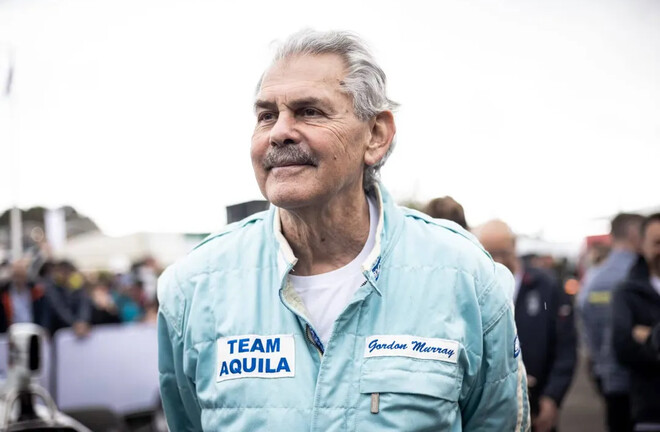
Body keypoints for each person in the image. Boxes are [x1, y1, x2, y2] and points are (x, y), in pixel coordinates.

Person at [157, 29, 529, 431]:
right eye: (266, 115)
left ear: (376, 135)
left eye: (309, 111)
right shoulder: (194, 287)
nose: (279, 132)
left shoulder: (465, 276)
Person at [477, 220, 576, 432]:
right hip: (491, 411)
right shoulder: (476, 289)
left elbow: (565, 346)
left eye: (503, 252)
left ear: (514, 246)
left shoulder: (545, 285)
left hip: (538, 405)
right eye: (490, 253)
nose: (498, 260)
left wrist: (552, 397)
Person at [578, 213, 644, 432]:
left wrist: (601, 367)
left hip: (610, 379)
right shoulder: (639, 273)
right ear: (634, 234)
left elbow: (587, 328)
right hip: (644, 381)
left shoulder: (594, 278)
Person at [612, 213, 660, 431]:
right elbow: (623, 348)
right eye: (657, 243)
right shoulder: (627, 292)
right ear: (642, 245)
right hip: (651, 411)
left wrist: (649, 336)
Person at [0, 259, 48, 332]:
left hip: (33, 327)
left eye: (21, 275)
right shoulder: (4, 292)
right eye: (16, 275)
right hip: (11, 330)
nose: (18, 279)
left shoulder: (36, 291)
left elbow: (43, 314)